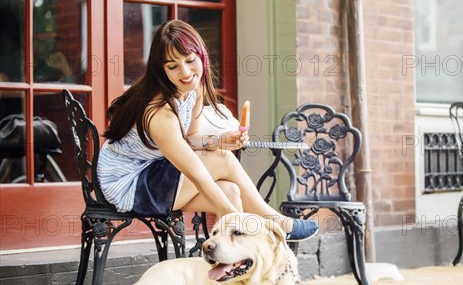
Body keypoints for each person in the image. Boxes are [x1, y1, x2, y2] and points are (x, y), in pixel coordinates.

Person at [97, 20, 317, 240]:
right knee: (223, 162)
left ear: (201, 55)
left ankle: (234, 262)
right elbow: (197, 173)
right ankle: (273, 221)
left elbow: (190, 139)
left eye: (190, 60)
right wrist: (233, 216)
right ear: (161, 70)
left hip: (154, 170)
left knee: (231, 192)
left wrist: (219, 141)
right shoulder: (159, 112)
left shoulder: (194, 88)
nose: (185, 72)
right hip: (130, 185)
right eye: (172, 66)